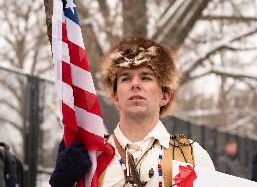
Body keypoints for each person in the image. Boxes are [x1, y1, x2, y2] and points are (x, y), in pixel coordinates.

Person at [49, 36, 215, 187]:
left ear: (165, 96)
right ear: (115, 96)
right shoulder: (92, 157)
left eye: (146, 77)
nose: (135, 84)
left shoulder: (192, 156)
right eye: (126, 78)